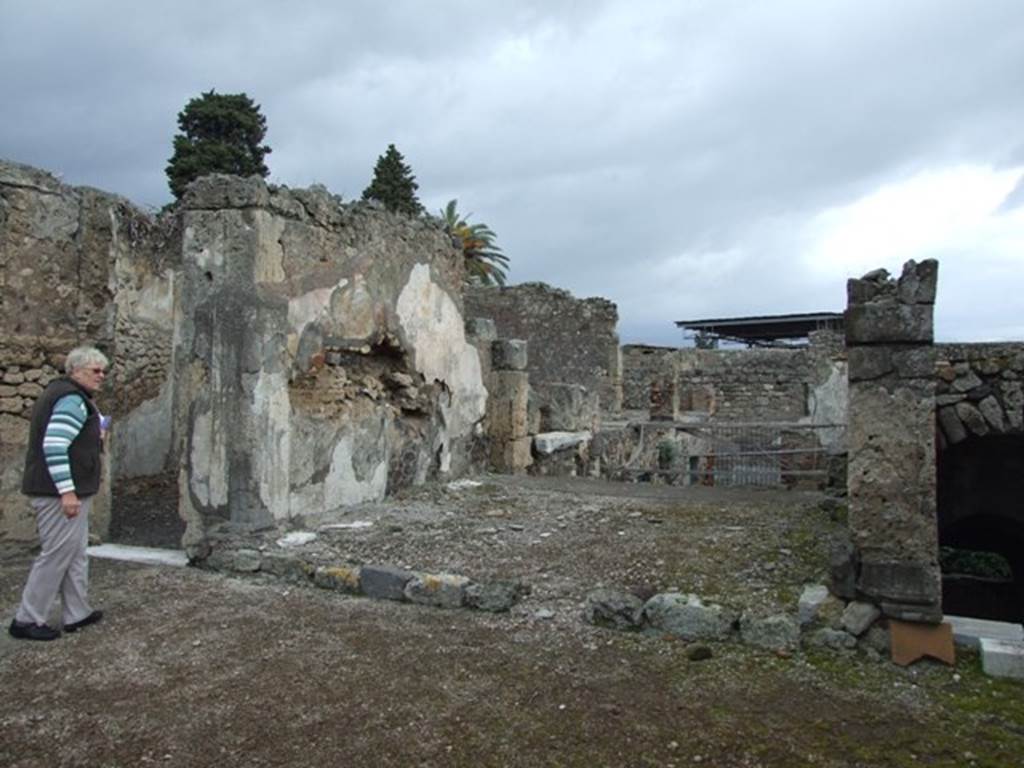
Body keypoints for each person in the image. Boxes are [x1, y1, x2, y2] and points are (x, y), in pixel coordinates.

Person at [8, 346, 109, 641]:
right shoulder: (71, 400)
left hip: (64, 491)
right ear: (76, 371)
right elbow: (54, 446)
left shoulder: (68, 395)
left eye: (103, 371)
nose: (101, 376)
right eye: (95, 370)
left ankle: (77, 612)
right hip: (59, 494)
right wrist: (67, 492)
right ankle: (26, 619)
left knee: (75, 553)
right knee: (55, 555)